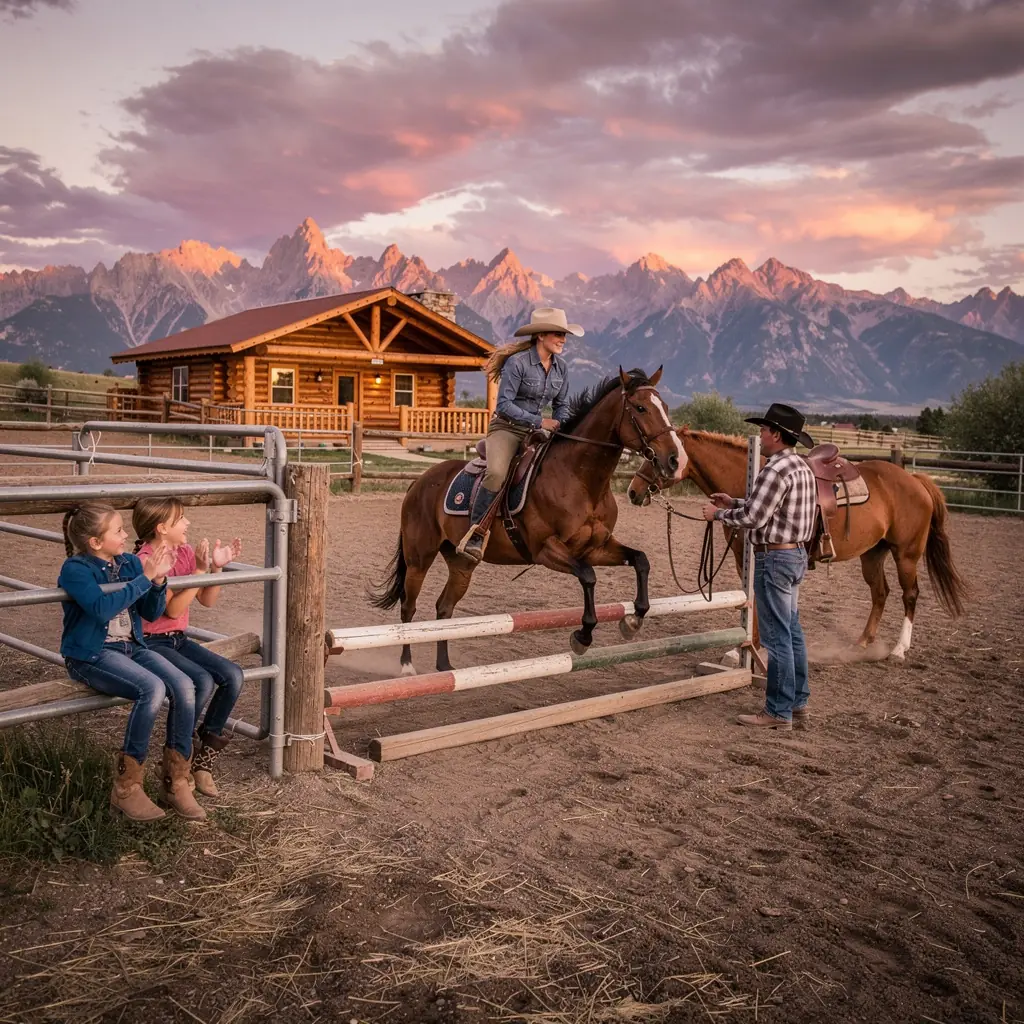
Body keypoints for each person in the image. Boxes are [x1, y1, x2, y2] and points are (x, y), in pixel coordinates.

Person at [58, 502, 206, 821]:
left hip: (131, 646)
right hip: (91, 653)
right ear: (96, 542)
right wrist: (146, 577)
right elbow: (100, 608)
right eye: (119, 531)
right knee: (152, 688)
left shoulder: (127, 563)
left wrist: (158, 582)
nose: (127, 535)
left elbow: (151, 613)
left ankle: (176, 780)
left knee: (184, 684)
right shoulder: (75, 569)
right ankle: (127, 788)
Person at [702, 403, 817, 731]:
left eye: (764, 430)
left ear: (776, 435)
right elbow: (771, 507)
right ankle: (798, 700)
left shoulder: (774, 469)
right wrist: (734, 501)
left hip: (774, 559)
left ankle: (777, 711)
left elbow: (755, 518)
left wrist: (719, 515)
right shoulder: (801, 467)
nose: (760, 436)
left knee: (776, 637)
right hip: (795, 556)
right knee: (792, 631)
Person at [133, 498, 243, 798]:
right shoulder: (148, 559)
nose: (188, 524)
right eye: (181, 519)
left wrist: (216, 570)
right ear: (162, 528)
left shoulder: (182, 551)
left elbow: (206, 601)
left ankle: (203, 761)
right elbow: (170, 610)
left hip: (177, 639)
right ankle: (177, 759)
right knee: (202, 681)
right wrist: (197, 572)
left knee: (233, 676)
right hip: (152, 641)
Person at [458, 306, 583, 562]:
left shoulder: (562, 368)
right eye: (557, 334)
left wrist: (560, 425)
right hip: (507, 429)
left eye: (564, 335)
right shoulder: (518, 363)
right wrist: (539, 421)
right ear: (540, 336)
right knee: (496, 473)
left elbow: (562, 405)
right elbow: (503, 404)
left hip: (539, 431)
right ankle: (476, 533)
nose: (563, 340)